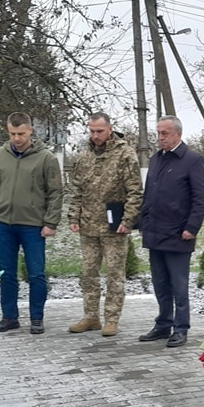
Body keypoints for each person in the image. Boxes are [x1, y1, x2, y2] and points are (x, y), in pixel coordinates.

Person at [0, 112, 63, 335]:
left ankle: (37, 318)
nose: (17, 138)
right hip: (4, 224)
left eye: (21, 134)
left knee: (36, 274)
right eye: (12, 133)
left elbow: (55, 192)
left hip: (34, 226)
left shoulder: (46, 158)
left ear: (31, 131)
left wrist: (51, 222)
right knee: (6, 273)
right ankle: (9, 317)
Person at [67, 112, 143, 337]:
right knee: (88, 273)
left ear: (109, 129)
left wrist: (128, 220)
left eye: (99, 131)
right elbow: (77, 190)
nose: (95, 135)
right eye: (92, 131)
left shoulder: (125, 154)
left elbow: (135, 191)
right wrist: (74, 217)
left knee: (114, 274)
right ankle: (91, 317)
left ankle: (112, 319)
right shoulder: (83, 156)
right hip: (88, 226)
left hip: (114, 228)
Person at [138, 115, 204, 348]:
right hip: (155, 233)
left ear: (178, 134)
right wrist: (143, 222)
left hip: (179, 234)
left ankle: (181, 328)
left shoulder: (192, 160)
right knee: (160, 284)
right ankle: (162, 324)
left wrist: (192, 227)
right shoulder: (156, 159)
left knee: (179, 286)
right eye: (158, 133)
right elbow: (149, 195)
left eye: (165, 133)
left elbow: (201, 198)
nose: (160, 138)